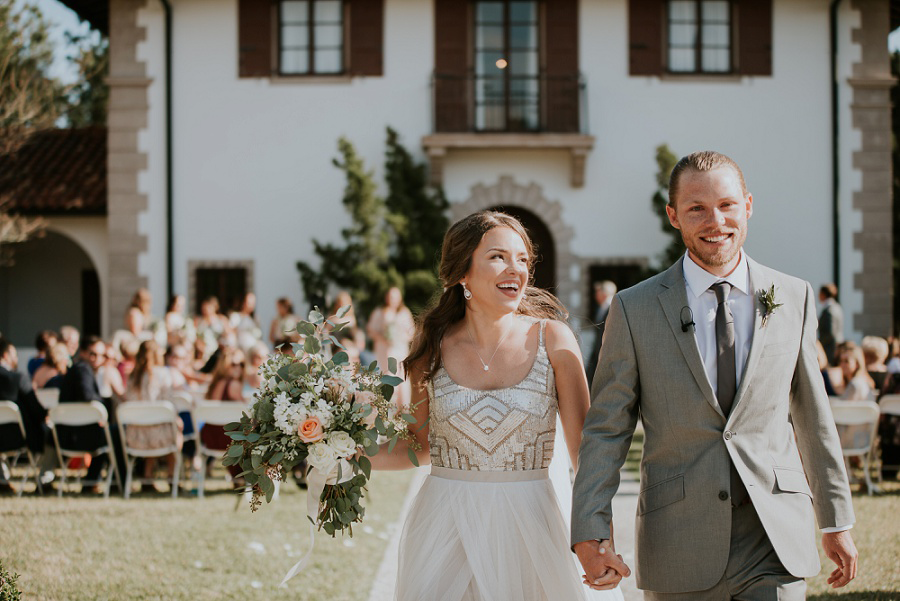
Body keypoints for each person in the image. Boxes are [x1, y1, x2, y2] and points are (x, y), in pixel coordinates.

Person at [572, 151, 858, 600]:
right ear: (673, 216)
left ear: (747, 205)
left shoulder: (794, 296)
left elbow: (812, 417)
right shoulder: (633, 308)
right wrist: (590, 528)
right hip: (678, 540)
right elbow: (608, 428)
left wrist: (836, 519)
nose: (715, 221)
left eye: (726, 205)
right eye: (696, 209)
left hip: (773, 535)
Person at [369, 211, 625, 601]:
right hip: (446, 526)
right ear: (462, 273)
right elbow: (419, 446)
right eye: (498, 257)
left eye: (522, 259)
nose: (516, 269)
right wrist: (336, 450)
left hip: (534, 524)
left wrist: (597, 539)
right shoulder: (430, 349)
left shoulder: (553, 340)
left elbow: (586, 456)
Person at [58, 336, 123, 491]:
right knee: (115, 434)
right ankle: (118, 482)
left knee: (108, 433)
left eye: (101, 355)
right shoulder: (82, 369)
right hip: (75, 436)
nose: (97, 359)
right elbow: (87, 395)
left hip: (72, 433)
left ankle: (93, 480)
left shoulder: (79, 369)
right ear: (83, 353)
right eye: (93, 354)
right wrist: (102, 404)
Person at [123, 340, 184, 489]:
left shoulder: (133, 377)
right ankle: (172, 476)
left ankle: (147, 476)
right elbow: (168, 402)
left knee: (154, 426)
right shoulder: (163, 374)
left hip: (135, 435)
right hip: (158, 436)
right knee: (175, 432)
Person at [366, 286, 415, 406]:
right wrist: (382, 338)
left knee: (402, 377)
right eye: (390, 296)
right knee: (388, 374)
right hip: (385, 349)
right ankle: (387, 405)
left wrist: (400, 337)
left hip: (400, 349)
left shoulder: (404, 312)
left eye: (395, 297)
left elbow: (411, 332)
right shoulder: (380, 311)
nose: (392, 299)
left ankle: (403, 406)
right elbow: (371, 330)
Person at [585, 280, 616, 386]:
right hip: (598, 350)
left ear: (603, 293)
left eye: (597, 292)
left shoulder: (613, 307)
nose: (595, 295)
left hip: (606, 353)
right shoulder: (603, 307)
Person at [818, 283, 844, 366]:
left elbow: (830, 332)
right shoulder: (837, 307)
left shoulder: (829, 310)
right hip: (835, 346)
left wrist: (819, 344)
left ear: (823, 294)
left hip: (829, 348)